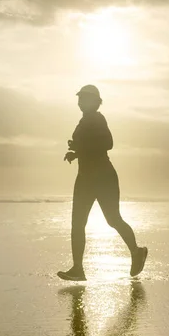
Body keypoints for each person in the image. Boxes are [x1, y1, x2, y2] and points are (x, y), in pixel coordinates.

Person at [57, 85, 148, 281]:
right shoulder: (84, 121)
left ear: (95, 102)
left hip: (103, 177)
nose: (80, 101)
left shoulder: (98, 119)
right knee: (77, 224)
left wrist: (81, 147)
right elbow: (90, 146)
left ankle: (137, 251)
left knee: (113, 219)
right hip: (85, 177)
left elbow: (108, 144)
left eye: (84, 98)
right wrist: (77, 151)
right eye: (79, 98)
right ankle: (78, 269)